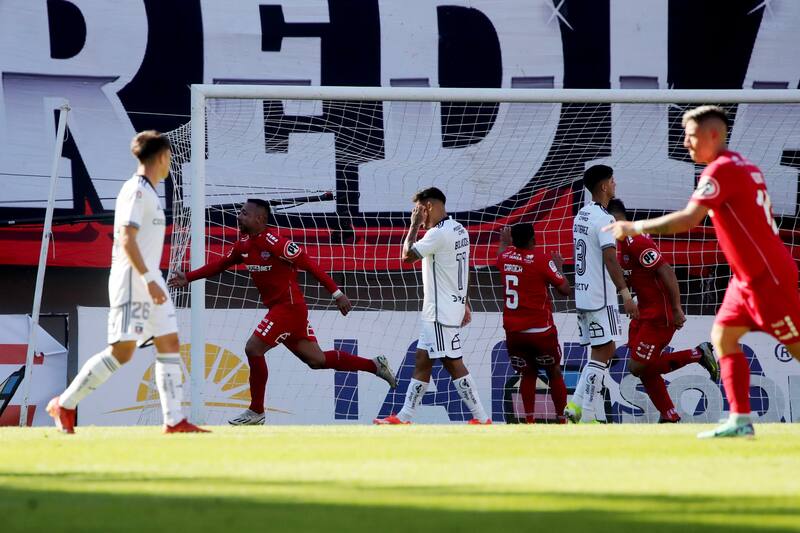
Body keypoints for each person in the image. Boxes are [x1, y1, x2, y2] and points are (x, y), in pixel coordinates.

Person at [604, 105, 800, 438]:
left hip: (767, 276)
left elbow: (689, 219)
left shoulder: (720, 170)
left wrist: (635, 226)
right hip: (746, 276)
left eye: (691, 136)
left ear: (714, 135)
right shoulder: (746, 167)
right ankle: (740, 420)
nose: (685, 143)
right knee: (724, 337)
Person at [169, 199, 396, 425]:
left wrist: (337, 294)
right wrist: (188, 277)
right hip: (283, 311)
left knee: (253, 348)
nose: (239, 217)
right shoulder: (244, 244)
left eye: (245, 214)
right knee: (317, 360)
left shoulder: (275, 242)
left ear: (260, 218)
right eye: (240, 213)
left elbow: (308, 263)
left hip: (289, 309)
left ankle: (256, 411)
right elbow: (219, 265)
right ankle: (374, 365)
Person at [47, 131, 208, 434]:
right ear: (161, 157)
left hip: (150, 279)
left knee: (169, 342)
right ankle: (65, 404)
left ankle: (174, 421)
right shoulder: (135, 191)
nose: (170, 163)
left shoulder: (150, 192)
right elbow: (125, 238)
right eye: (169, 157)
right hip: (133, 282)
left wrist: (153, 279)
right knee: (122, 352)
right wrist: (148, 280)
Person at [373, 187, 490, 425]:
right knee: (422, 360)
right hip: (446, 308)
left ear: (428, 207)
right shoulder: (459, 229)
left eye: (419, 211)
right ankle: (405, 416)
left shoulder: (437, 234)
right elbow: (464, 269)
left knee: (452, 362)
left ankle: (482, 418)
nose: (419, 216)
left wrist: (414, 226)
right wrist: (465, 301)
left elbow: (406, 257)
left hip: (440, 313)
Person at [606, 199, 719, 423]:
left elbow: (665, 270)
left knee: (638, 367)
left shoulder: (635, 240)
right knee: (645, 368)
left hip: (659, 315)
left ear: (613, 220)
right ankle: (670, 416)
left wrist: (676, 309)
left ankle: (697, 354)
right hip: (643, 312)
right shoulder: (621, 243)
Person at [566, 164, 639, 423]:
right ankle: (586, 415)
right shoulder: (605, 219)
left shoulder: (581, 215)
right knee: (605, 351)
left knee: (601, 351)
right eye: (612, 181)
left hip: (583, 295)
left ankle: (575, 405)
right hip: (600, 296)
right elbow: (610, 259)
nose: (615, 184)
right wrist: (626, 294)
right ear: (604, 186)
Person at [497, 223, 570, 423]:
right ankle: (562, 419)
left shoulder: (505, 257)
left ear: (513, 240)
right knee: (554, 371)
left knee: (527, 373)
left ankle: (529, 421)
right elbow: (564, 290)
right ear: (533, 240)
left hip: (514, 333)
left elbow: (501, 255)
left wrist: (504, 243)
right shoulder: (542, 259)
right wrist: (560, 268)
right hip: (541, 331)